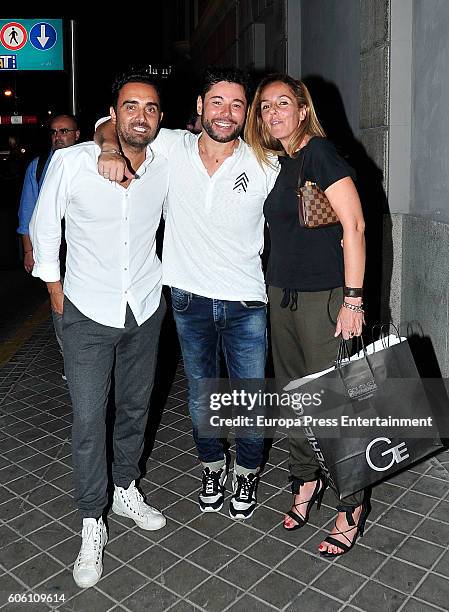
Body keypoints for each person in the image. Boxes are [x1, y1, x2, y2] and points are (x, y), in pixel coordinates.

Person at [95, 67, 278, 520]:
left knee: (249, 396)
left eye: (237, 104)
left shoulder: (264, 161)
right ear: (200, 106)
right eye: (217, 101)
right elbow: (112, 123)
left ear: (246, 112)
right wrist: (107, 146)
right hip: (188, 299)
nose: (226, 112)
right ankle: (213, 467)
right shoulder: (171, 146)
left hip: (246, 301)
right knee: (202, 395)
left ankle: (248, 471)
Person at [30, 71, 168, 588]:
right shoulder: (72, 161)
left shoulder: (165, 160)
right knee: (90, 419)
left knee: (135, 406)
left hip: (145, 306)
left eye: (151, 108)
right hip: (86, 309)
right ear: (113, 112)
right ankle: (92, 519)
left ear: (161, 117)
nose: (141, 116)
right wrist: (54, 292)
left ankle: (126, 487)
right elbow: (47, 227)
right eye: (130, 106)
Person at [245, 73, 368, 556]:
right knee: (296, 396)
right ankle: (305, 481)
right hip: (283, 295)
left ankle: (351, 503)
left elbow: (354, 224)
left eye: (283, 103)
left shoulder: (319, 152)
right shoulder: (280, 161)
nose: (273, 112)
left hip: (325, 299)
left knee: (333, 403)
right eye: (265, 106)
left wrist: (353, 301)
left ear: (302, 110)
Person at [17, 114, 80, 375]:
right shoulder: (40, 166)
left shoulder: (89, 160)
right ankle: (71, 363)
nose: (58, 136)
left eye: (64, 131)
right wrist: (29, 250)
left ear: (77, 135)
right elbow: (27, 213)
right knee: (60, 305)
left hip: (85, 247)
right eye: (54, 132)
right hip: (55, 250)